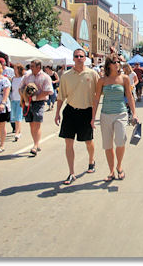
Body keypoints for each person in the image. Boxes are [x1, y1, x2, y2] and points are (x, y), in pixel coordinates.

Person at [54, 49, 99, 185]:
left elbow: (98, 95)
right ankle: (71, 172)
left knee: (88, 141)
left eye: (81, 56)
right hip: (70, 112)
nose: (79, 58)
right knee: (68, 142)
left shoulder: (92, 74)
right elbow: (61, 96)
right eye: (76, 56)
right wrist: (57, 113)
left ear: (85, 58)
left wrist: (94, 116)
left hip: (86, 112)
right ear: (73, 58)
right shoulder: (66, 76)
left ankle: (91, 160)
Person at [92, 52, 137, 182]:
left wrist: (134, 113)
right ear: (108, 65)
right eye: (114, 62)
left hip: (121, 113)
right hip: (105, 114)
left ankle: (119, 166)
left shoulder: (124, 79)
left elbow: (129, 96)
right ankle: (111, 171)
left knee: (120, 141)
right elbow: (96, 99)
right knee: (107, 145)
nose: (117, 64)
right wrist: (92, 117)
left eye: (118, 62)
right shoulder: (102, 80)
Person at [19, 59, 53, 156]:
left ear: (39, 67)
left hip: (39, 102)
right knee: (31, 124)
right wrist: (24, 97)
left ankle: (35, 145)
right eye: (30, 66)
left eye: (33, 66)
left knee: (37, 124)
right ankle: (36, 143)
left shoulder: (45, 77)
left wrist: (36, 97)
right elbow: (20, 87)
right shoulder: (27, 76)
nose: (31, 68)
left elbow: (48, 91)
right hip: (28, 103)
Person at [10, 63, 25, 142]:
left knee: (18, 117)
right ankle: (19, 131)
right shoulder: (13, 78)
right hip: (13, 98)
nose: (14, 70)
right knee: (15, 116)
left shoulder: (23, 78)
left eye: (15, 68)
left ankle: (16, 132)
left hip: (20, 99)